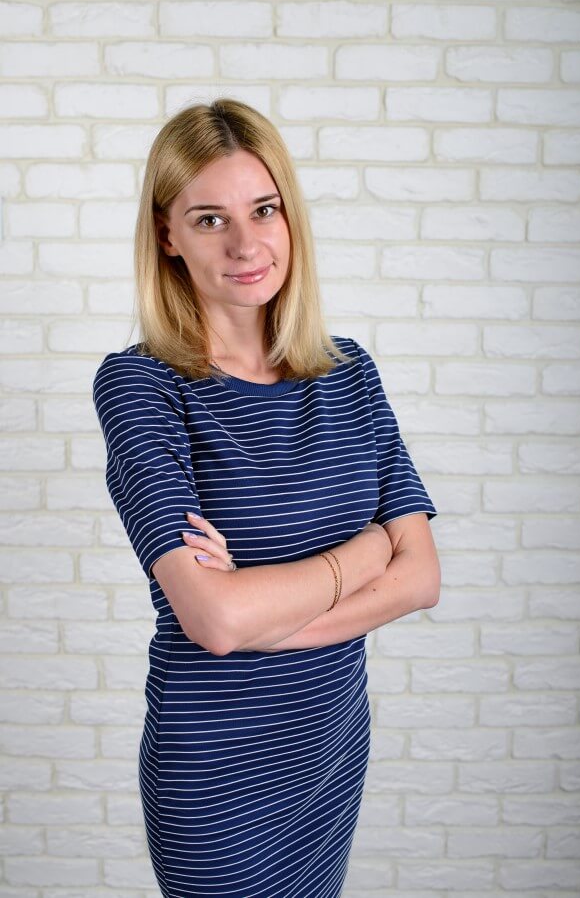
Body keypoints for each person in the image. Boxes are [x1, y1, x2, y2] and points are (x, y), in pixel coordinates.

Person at [92, 97, 440, 898]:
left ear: (290, 217)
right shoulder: (142, 386)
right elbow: (215, 621)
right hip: (215, 772)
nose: (246, 244)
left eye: (264, 209)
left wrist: (266, 617)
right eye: (209, 219)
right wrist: (366, 552)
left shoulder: (349, 372)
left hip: (329, 753)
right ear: (167, 234)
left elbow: (422, 577)